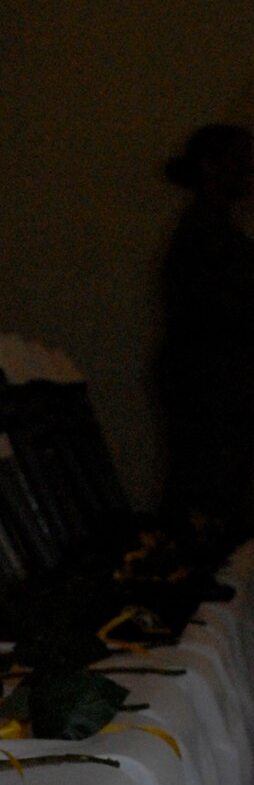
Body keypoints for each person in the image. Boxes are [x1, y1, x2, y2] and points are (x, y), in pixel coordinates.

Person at [154, 122, 254, 521]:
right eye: (241, 160)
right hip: (210, 381)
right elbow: (225, 309)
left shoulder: (215, 229)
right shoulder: (206, 234)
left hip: (213, 379)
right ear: (211, 167)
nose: (249, 170)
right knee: (206, 494)